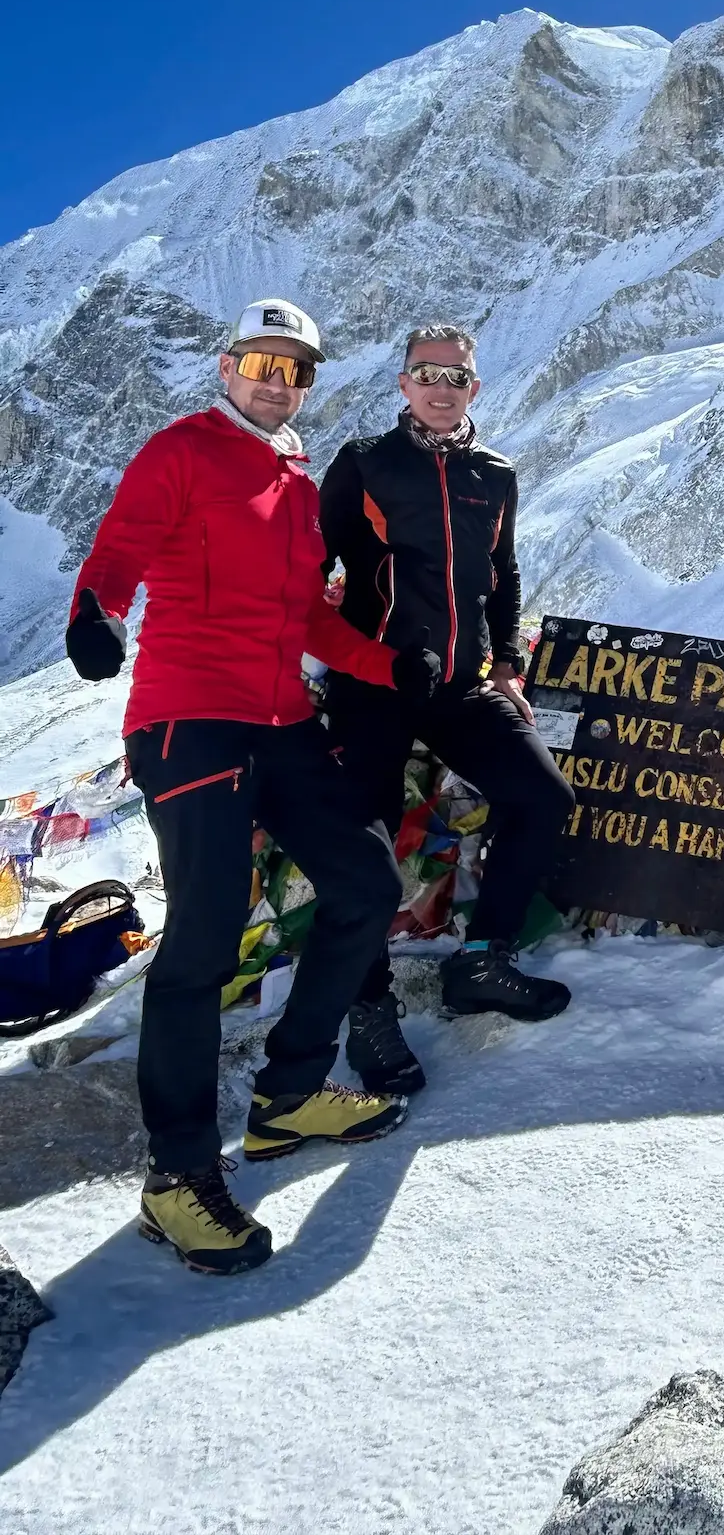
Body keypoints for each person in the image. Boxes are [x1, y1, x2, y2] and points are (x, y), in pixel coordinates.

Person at [65, 299, 438, 1275]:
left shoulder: (292, 474)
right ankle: (178, 1180)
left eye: (296, 368)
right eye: (261, 361)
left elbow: (306, 624)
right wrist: (96, 618)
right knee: (200, 938)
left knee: (363, 887)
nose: (277, 379)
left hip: (282, 726)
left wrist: (383, 666)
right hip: (191, 724)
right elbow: (119, 554)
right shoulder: (182, 450)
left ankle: (286, 1098)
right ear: (227, 365)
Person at [318, 323, 574, 1097]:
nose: (439, 387)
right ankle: (368, 1010)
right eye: (425, 374)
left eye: (454, 377)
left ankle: (482, 960)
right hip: (375, 682)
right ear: (402, 384)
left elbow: (504, 573)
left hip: (463, 688)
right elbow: (307, 572)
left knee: (544, 797)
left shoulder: (494, 474)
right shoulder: (363, 464)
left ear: (474, 388)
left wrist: (509, 665)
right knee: (366, 844)